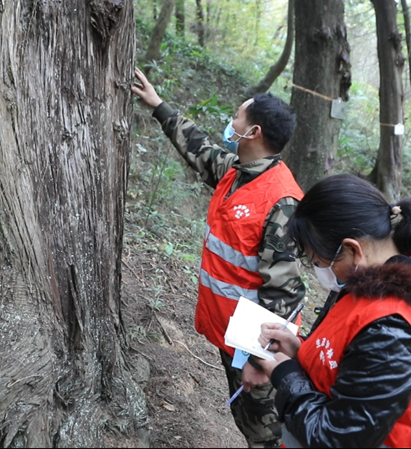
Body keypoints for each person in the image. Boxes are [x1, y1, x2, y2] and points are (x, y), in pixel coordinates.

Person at [248, 173, 411, 448]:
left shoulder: (392, 327)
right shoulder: (375, 284)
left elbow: (336, 438)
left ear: (352, 250)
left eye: (318, 261)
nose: (321, 270)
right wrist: (301, 350)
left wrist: (285, 375)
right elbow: (355, 365)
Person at [131, 68, 305, 448]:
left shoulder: (282, 200)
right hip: (231, 335)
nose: (232, 121)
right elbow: (199, 148)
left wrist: (262, 360)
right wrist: (158, 105)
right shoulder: (236, 172)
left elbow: (285, 292)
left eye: (237, 116)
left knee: (268, 434)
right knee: (247, 423)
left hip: (254, 345)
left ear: (254, 131)